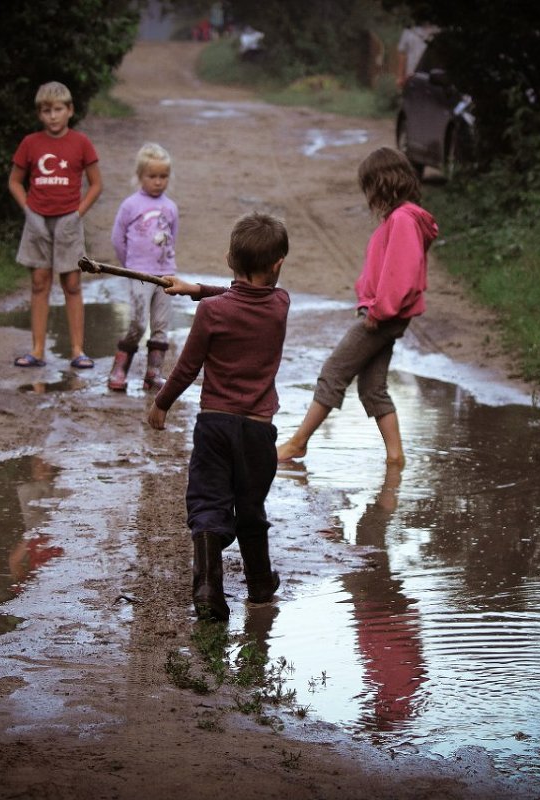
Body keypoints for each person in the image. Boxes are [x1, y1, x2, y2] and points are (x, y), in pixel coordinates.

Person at [147, 212, 290, 622]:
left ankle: (208, 587)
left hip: (214, 426)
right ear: (278, 263)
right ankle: (260, 583)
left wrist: (162, 402)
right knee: (250, 508)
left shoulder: (212, 313)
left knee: (209, 503)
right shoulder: (281, 305)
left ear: (229, 258)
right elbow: (243, 297)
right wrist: (196, 289)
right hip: (258, 431)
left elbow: (187, 367)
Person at [276, 147, 439, 468]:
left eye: (368, 187)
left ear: (381, 184)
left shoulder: (403, 220)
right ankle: (396, 457)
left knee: (333, 372)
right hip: (385, 315)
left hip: (382, 316)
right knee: (372, 388)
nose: (368, 196)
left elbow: (401, 275)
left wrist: (377, 311)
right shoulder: (401, 218)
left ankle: (297, 443)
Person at [8, 81, 104, 369]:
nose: (53, 116)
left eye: (58, 109)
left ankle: (77, 350)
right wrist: (28, 210)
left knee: (72, 284)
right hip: (37, 221)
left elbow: (96, 184)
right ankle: (37, 350)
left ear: (70, 110)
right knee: (39, 282)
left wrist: (77, 214)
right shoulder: (30, 143)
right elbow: (15, 181)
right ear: (40, 114)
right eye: (47, 110)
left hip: (68, 222)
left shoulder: (81, 142)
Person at [107, 143, 180, 392]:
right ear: (140, 176)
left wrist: (167, 264)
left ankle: (153, 373)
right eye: (152, 176)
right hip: (139, 273)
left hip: (166, 274)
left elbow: (173, 236)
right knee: (139, 322)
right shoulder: (131, 205)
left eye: (163, 177)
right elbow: (118, 238)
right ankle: (119, 368)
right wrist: (129, 265)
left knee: (161, 325)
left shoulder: (170, 207)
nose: (158, 182)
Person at [396, 20, 441, 87]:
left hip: (433, 76)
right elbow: (402, 54)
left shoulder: (438, 30)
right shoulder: (409, 31)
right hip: (412, 75)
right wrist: (400, 76)